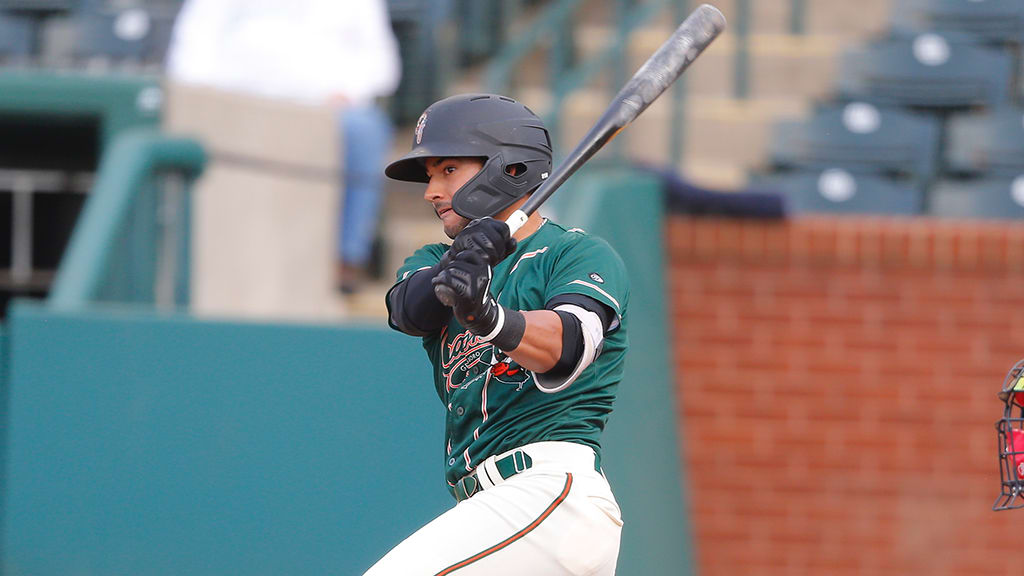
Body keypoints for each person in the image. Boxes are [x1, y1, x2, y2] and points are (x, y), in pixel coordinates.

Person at [367, 94, 628, 575]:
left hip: (549, 492)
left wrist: (486, 314)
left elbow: (565, 345)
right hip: (491, 511)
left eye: (447, 170)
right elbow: (407, 309)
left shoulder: (575, 254)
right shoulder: (430, 260)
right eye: (430, 175)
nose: (431, 191)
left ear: (509, 170)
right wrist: (462, 262)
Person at [165, 0, 401, 292]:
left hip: (325, 108)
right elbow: (191, 50)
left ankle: (345, 259)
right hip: (235, 102)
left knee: (365, 129)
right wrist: (214, 97)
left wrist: (349, 91)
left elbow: (381, 63)